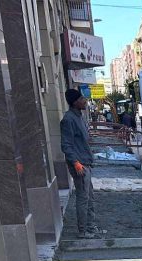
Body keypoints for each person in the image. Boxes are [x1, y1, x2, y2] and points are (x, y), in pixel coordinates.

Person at [61, 89, 99, 238]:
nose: (85, 101)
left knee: (90, 197)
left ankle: (91, 227)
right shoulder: (68, 119)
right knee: (83, 198)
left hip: (85, 162)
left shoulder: (79, 117)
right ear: (75, 102)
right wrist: (76, 162)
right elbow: (66, 145)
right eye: (82, 99)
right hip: (79, 164)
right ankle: (83, 231)